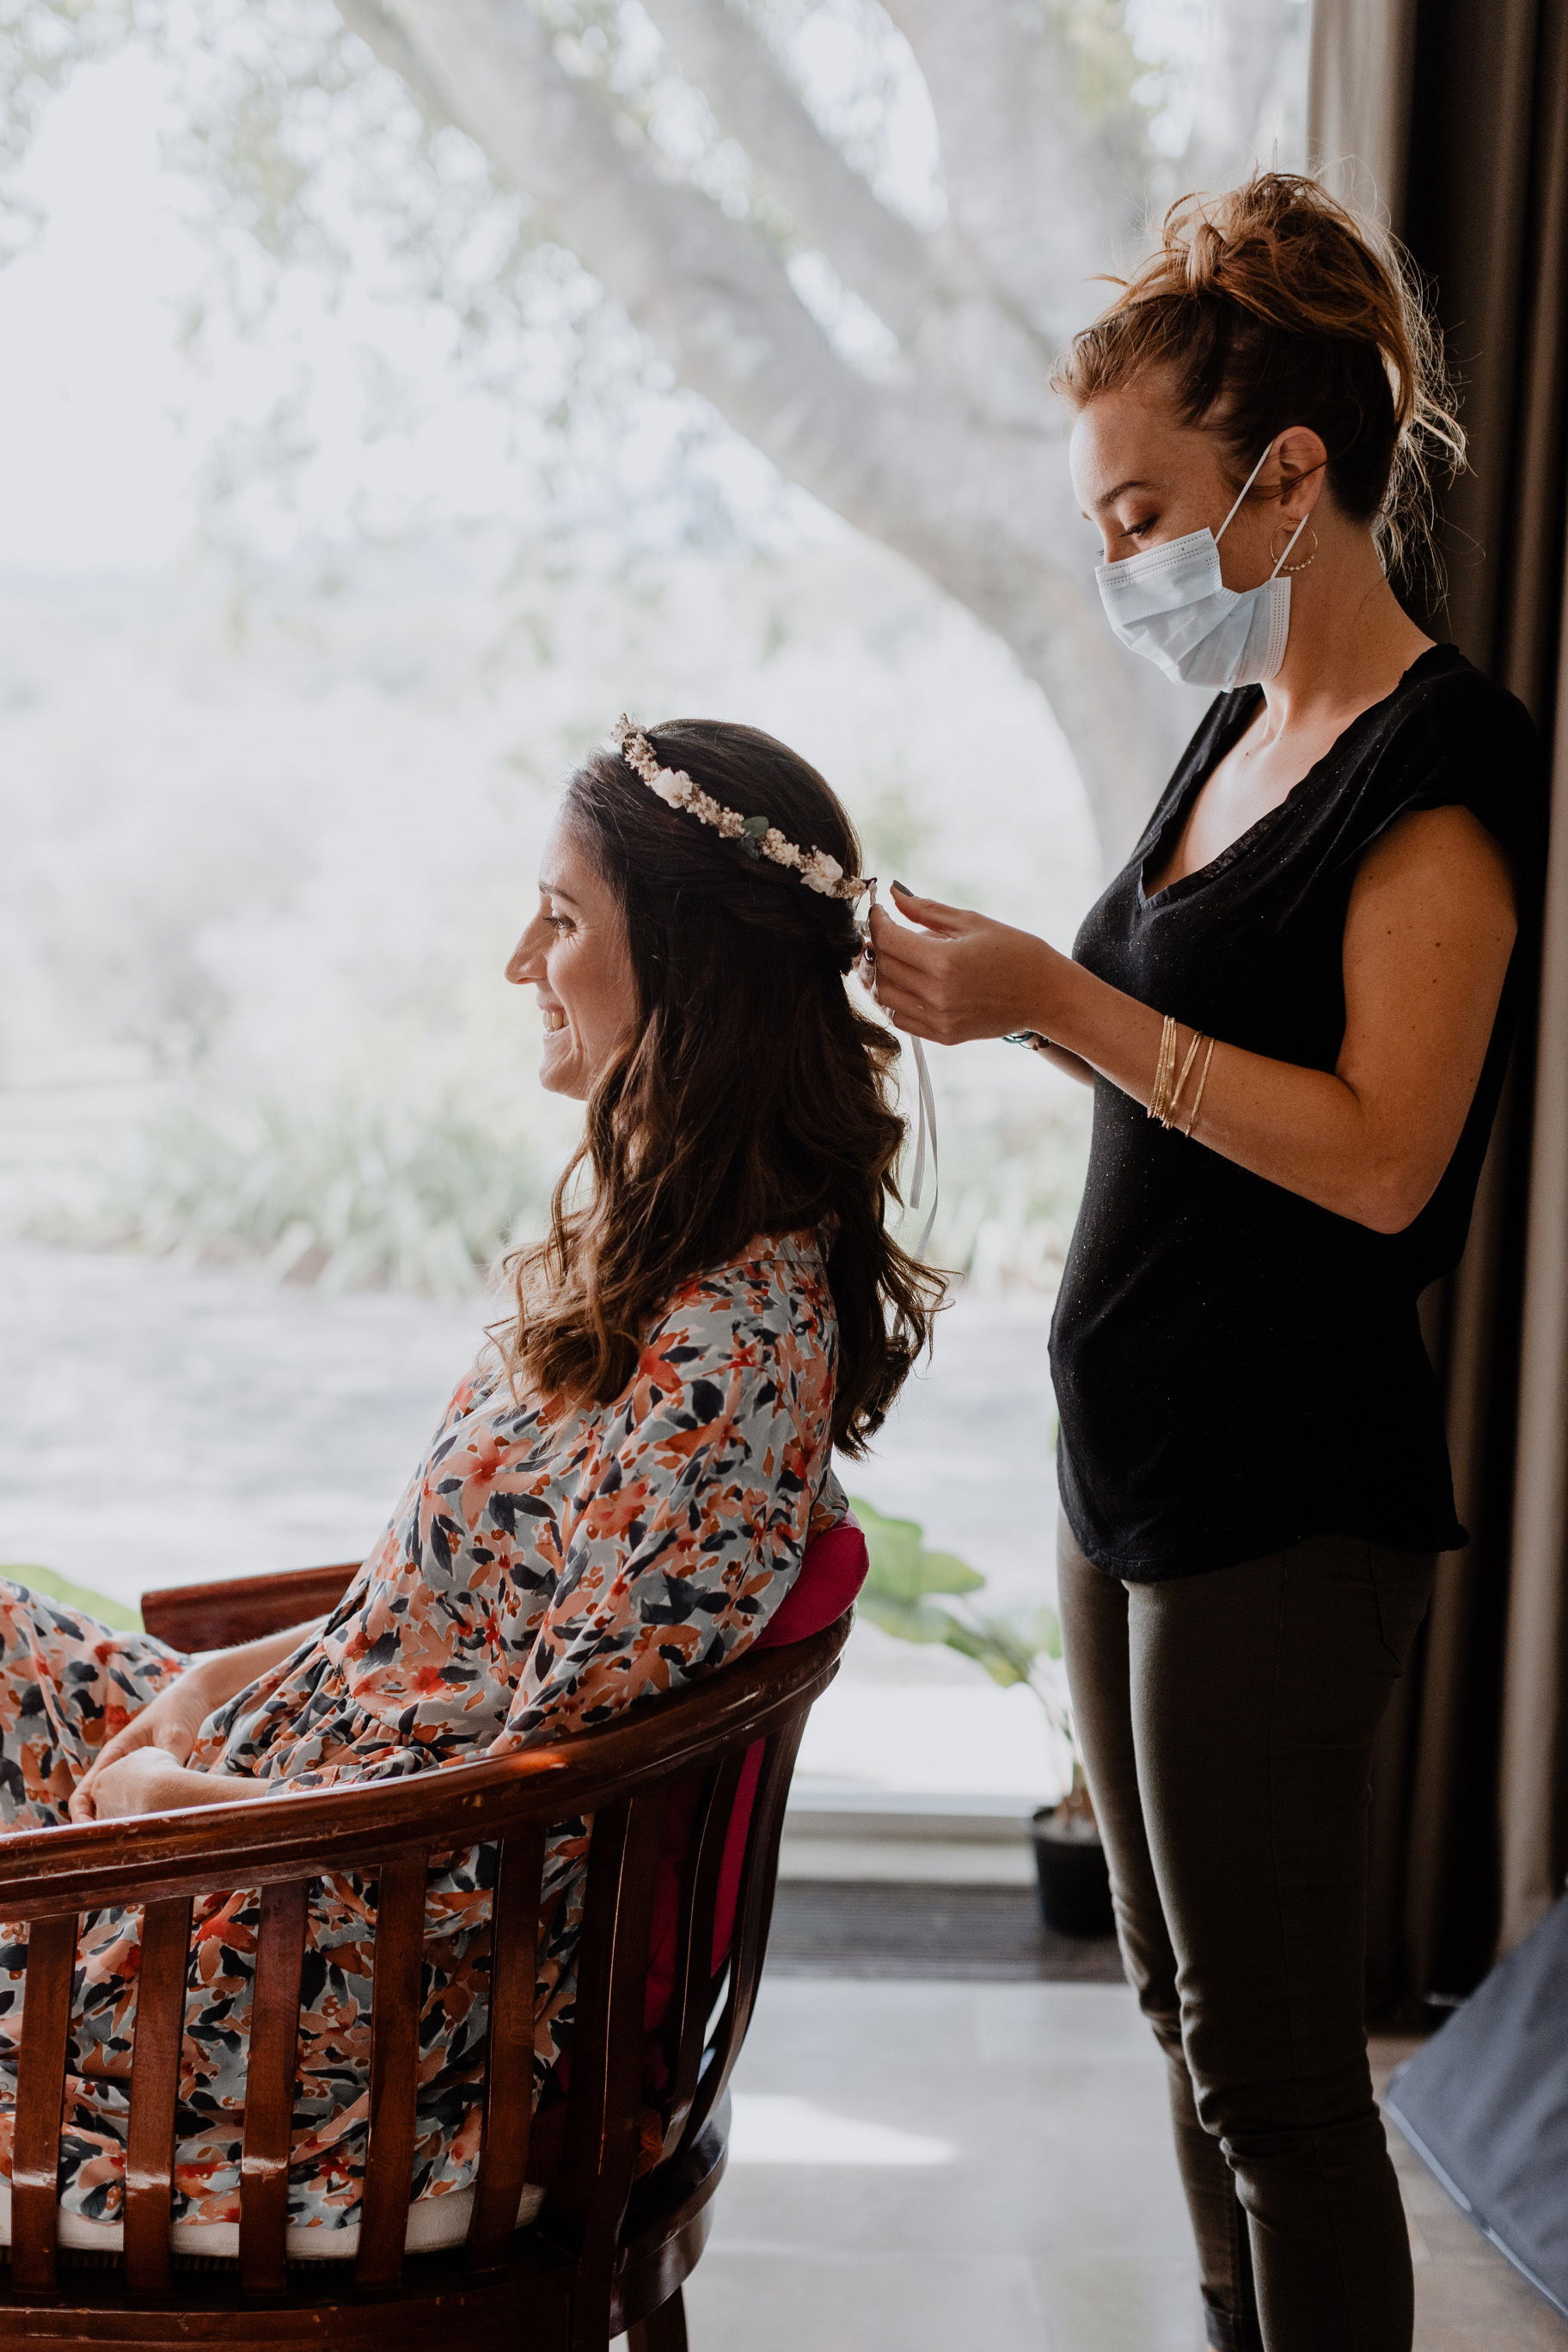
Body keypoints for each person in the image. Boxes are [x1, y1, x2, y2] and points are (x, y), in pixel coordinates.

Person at [868, 174, 1544, 2352]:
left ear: (1291, 473)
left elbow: (1376, 1163)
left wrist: (1059, 1006)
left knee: (1273, 2075)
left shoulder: (1439, 770)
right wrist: (1001, 986)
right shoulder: (1233, 735)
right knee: (1181, 2029)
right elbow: (1177, 1061)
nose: (1118, 558)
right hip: (1131, 1472)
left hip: (1284, 1499)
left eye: (1141, 505)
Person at [0, 716, 940, 2243]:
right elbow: (433, 1613)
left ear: (689, 971)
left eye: (563, 920)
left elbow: (525, 1830)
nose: (522, 961)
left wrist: (188, 1806)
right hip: (297, 1786)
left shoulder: (728, 1363)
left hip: (353, 1953)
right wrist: (209, 1687)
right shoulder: (659, 1251)